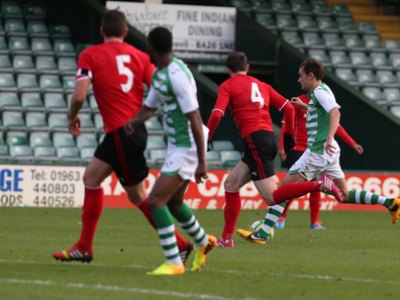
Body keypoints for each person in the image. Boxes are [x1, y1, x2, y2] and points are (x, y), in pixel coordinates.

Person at [52, 10, 192, 263]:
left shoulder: (90, 54)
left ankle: (181, 245)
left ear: (101, 30)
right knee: (92, 178)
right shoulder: (140, 56)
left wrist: (72, 116)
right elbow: (160, 86)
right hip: (130, 132)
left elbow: (79, 95)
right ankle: (84, 246)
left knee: (140, 196)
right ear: (126, 32)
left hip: (121, 132)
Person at [237, 58, 400, 244]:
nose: (299, 80)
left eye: (301, 76)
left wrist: (329, 137)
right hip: (329, 154)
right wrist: (305, 107)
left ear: (311, 75)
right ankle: (390, 202)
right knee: (344, 195)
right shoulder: (321, 92)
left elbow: (335, 112)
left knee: (282, 190)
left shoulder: (320, 92)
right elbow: (322, 111)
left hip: (317, 152)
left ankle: (263, 233)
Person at [125, 26, 217, 276]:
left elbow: (195, 117)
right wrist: (134, 121)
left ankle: (175, 262)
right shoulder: (161, 74)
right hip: (177, 146)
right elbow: (150, 107)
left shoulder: (176, 75)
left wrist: (201, 161)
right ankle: (203, 242)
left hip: (186, 147)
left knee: (155, 201)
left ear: (151, 47)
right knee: (175, 203)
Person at [206, 51, 296, 248]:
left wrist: (208, 136)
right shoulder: (262, 85)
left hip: (256, 140)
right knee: (230, 184)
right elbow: (289, 109)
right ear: (247, 68)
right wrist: (287, 139)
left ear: (227, 69)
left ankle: (317, 185)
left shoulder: (227, 85)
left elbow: (216, 115)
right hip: (267, 138)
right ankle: (227, 239)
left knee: (273, 198)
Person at [276, 93, 364, 230]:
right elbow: (286, 125)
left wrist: (352, 143)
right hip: (299, 149)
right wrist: (282, 146)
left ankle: (314, 222)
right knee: (293, 186)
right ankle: (281, 217)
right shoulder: (299, 101)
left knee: (317, 187)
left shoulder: (323, 103)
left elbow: (336, 126)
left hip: (318, 152)